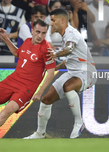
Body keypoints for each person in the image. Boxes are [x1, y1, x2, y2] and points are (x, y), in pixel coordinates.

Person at [0, 19, 56, 139]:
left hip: (26, 89)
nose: (40, 36)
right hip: (12, 80)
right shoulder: (27, 41)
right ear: (32, 30)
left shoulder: (46, 49)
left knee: (6, 111)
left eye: (43, 33)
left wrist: (39, 92)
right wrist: (6, 39)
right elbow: (17, 53)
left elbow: (51, 73)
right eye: (38, 32)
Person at [24, 9, 97, 139]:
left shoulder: (71, 33)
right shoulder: (65, 36)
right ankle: (39, 134)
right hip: (73, 72)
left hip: (87, 72)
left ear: (62, 20)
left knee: (68, 87)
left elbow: (69, 49)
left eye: (53, 20)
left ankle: (79, 122)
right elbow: (70, 60)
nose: (51, 23)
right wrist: (55, 67)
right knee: (46, 100)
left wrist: (56, 54)